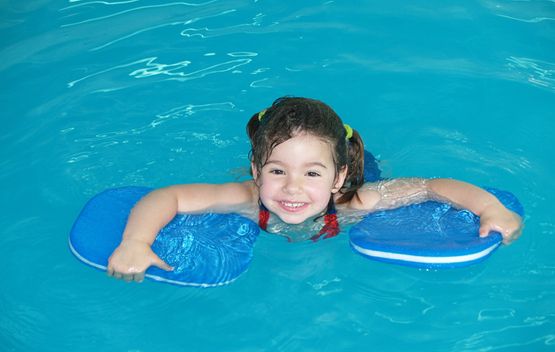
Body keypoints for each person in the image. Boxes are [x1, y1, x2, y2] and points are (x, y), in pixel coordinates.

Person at [107, 97, 523, 282]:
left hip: (355, 176)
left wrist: (490, 208)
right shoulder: (248, 199)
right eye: (275, 170)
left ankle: (348, 151)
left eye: (311, 174)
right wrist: (135, 241)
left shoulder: (354, 201)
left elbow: (433, 187)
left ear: (337, 178)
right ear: (255, 170)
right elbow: (167, 196)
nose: (291, 188)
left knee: (369, 171)